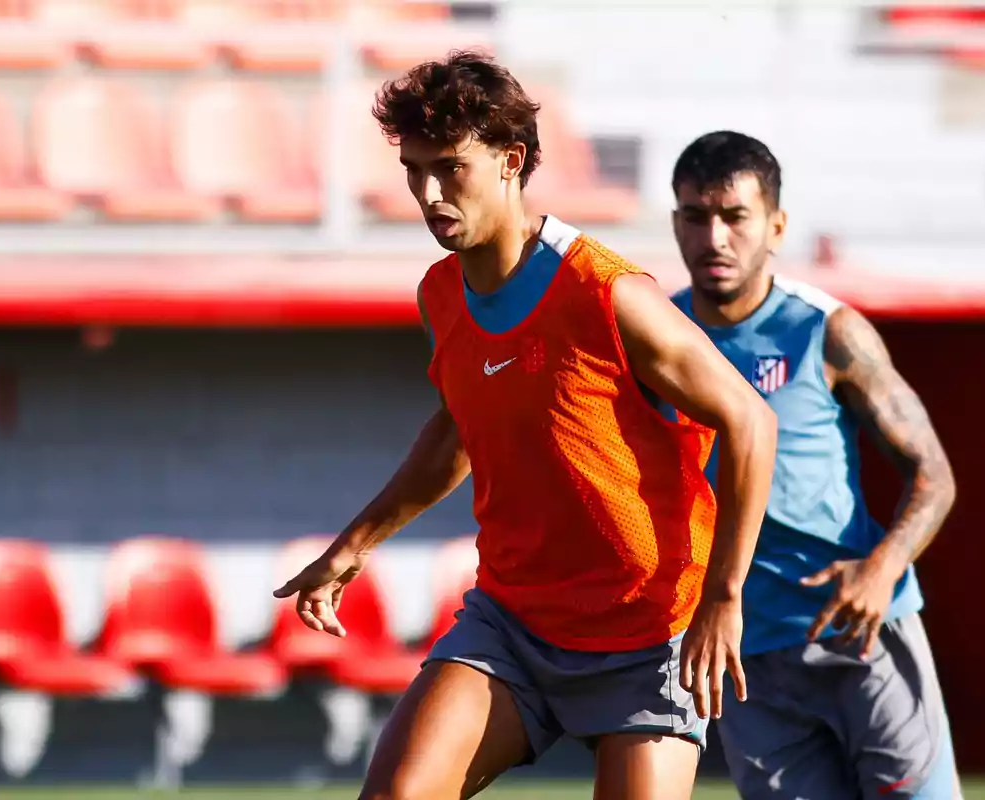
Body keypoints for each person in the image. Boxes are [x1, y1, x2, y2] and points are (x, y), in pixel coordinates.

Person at [273, 53, 779, 800]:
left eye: (450, 168)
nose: (428, 193)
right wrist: (355, 545)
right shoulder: (441, 293)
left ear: (511, 161)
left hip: (651, 630)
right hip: (514, 621)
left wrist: (724, 599)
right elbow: (457, 431)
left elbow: (750, 420)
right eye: (414, 170)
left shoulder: (607, 291)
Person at [666, 130, 962, 799]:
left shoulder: (828, 331)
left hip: (858, 631)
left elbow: (934, 475)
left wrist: (883, 567)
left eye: (735, 217)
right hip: (743, 653)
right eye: (696, 215)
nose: (714, 237)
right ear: (675, 221)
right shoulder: (661, 336)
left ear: (775, 225)